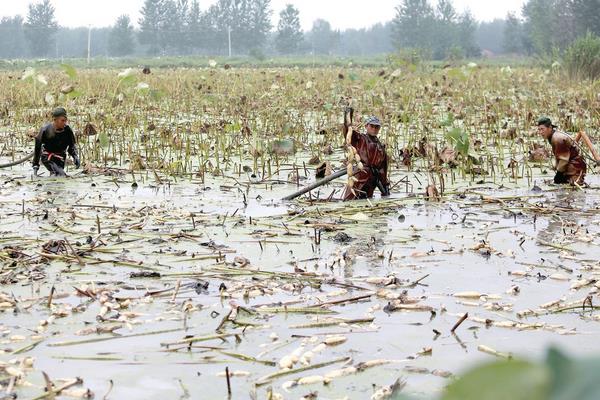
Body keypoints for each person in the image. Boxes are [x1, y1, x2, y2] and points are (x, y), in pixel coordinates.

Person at [343, 110, 390, 200]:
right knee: (350, 200)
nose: (374, 129)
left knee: (367, 201)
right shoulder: (360, 139)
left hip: (372, 180)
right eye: (371, 126)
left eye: (377, 127)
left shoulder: (381, 147)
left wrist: (385, 185)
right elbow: (347, 131)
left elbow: (383, 169)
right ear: (366, 126)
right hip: (359, 176)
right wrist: (348, 115)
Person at [537, 117, 586, 185]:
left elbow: (564, 160)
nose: (540, 132)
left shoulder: (557, 139)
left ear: (550, 128)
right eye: (539, 130)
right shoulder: (552, 136)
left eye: (542, 129)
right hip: (570, 166)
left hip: (574, 167)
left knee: (571, 187)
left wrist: (558, 175)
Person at [32, 107, 80, 177]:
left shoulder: (67, 130)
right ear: (55, 120)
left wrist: (75, 156)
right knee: (60, 175)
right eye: (62, 121)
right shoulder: (45, 130)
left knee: (57, 175)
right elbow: (37, 149)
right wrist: (35, 166)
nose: (64, 123)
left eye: (65, 120)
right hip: (48, 157)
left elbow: (71, 146)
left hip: (61, 157)